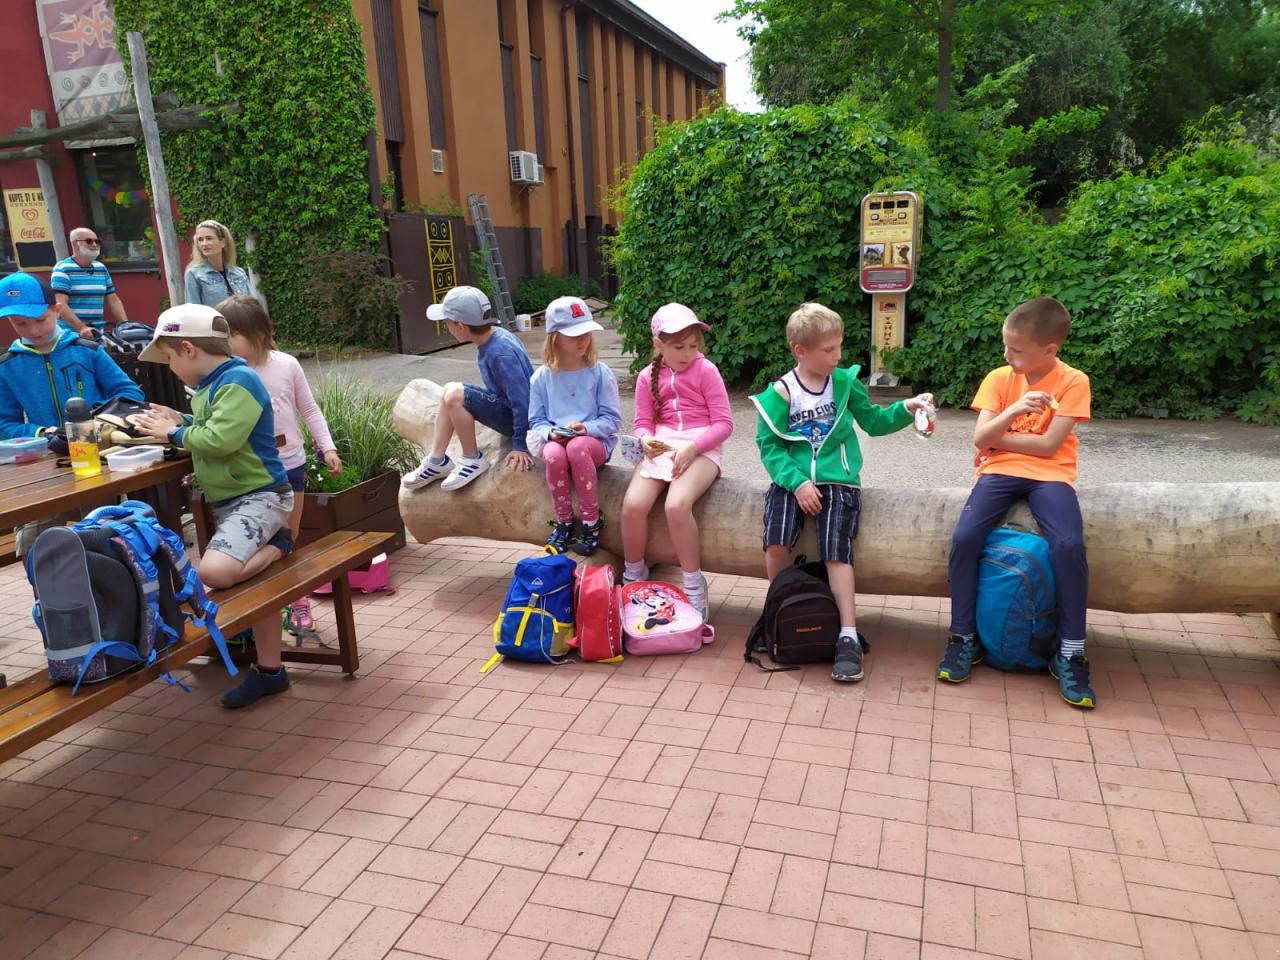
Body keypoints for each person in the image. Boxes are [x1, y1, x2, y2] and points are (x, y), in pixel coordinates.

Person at [752, 302, 933, 683]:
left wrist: (907, 407)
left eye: (839, 346)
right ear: (801, 351)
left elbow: (874, 421)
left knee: (837, 549)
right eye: (828, 349)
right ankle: (779, 612)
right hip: (792, 480)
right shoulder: (780, 394)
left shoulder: (845, 384)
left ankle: (847, 635)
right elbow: (770, 447)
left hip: (839, 481)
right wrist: (798, 483)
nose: (838, 355)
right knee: (775, 543)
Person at [133, 303, 295, 710]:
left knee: (214, 572)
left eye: (169, 357)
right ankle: (270, 671)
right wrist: (180, 420)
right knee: (249, 579)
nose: (170, 368)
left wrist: (173, 433)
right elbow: (212, 427)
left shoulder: (238, 380)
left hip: (260, 497)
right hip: (237, 502)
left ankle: (281, 545)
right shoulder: (215, 385)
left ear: (188, 349)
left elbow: (221, 440)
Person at [937, 296, 1094, 708]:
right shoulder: (1000, 378)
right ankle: (962, 637)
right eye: (1006, 346)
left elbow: (1049, 446)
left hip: (1051, 475)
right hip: (999, 471)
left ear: (1050, 350)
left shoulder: (1074, 381)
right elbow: (978, 437)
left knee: (1069, 546)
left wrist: (997, 438)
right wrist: (1015, 411)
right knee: (965, 538)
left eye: (1017, 350)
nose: (1007, 355)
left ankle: (1071, 651)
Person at [218, 294, 343, 634]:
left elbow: (309, 409)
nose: (226, 342)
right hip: (249, 471)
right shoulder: (224, 373)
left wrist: (328, 448)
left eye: (232, 334)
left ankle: (296, 599)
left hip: (290, 464)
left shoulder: (286, 365)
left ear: (258, 332)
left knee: (288, 534)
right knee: (255, 540)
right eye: (223, 334)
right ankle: (259, 606)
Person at [0, 271, 145, 554]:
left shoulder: (87, 350)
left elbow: (130, 394)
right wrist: (42, 433)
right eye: (20, 323)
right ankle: (46, 584)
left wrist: (96, 421)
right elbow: (4, 424)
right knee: (33, 545)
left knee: (101, 536)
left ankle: (109, 579)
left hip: (97, 459)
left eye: (40, 319)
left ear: (57, 310)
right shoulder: (7, 365)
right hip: (45, 467)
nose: (33, 330)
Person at [621, 303, 732, 620]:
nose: (688, 353)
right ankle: (633, 576)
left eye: (693, 346)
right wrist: (645, 440)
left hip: (702, 449)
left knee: (676, 505)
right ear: (659, 344)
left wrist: (693, 448)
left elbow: (724, 424)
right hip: (663, 447)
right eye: (679, 347)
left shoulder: (706, 370)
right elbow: (643, 423)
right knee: (633, 506)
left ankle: (693, 584)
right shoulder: (647, 377)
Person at [402, 285, 533, 491]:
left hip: (521, 420)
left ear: (461, 326)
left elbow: (522, 400)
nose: (447, 327)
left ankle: (473, 459)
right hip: (505, 406)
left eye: (447, 322)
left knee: (455, 396)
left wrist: (520, 444)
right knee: (449, 390)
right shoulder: (494, 337)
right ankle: (437, 460)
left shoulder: (500, 353)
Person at [525, 296, 622, 555]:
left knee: (577, 447)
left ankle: (591, 521)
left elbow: (612, 420)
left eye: (586, 333)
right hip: (559, 442)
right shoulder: (541, 378)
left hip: (593, 444)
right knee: (553, 453)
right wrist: (550, 433)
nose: (583, 340)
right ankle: (564, 521)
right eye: (574, 335)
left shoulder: (600, 373)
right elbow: (536, 420)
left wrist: (586, 428)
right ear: (555, 337)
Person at [50, 227, 129, 337]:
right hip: (70, 334)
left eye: (97, 241)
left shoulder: (101, 268)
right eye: (89, 241)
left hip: (96, 333)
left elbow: (113, 299)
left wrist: (126, 325)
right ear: (75, 244)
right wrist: (81, 328)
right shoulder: (63, 269)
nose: (94, 244)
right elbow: (60, 303)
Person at [184, 220, 253, 307]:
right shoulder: (194, 274)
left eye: (209, 238)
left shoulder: (239, 273)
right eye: (200, 240)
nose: (204, 244)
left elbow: (252, 306)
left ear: (222, 242)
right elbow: (193, 310)